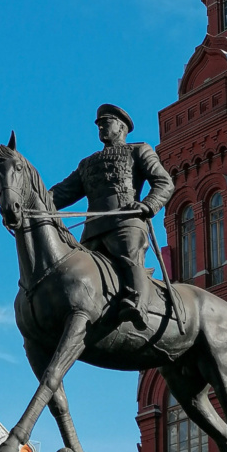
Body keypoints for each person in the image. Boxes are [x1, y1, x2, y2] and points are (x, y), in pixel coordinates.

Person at [50, 104, 174, 329]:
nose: (100, 127)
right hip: (94, 230)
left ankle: (138, 305)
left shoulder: (138, 150)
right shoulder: (87, 164)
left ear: (121, 126)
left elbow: (164, 182)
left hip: (126, 222)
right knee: (75, 271)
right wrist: (33, 202)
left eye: (105, 122)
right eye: (99, 124)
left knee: (129, 256)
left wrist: (148, 205)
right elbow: (61, 193)